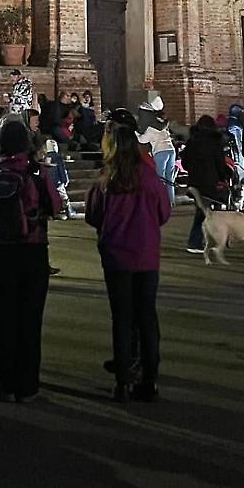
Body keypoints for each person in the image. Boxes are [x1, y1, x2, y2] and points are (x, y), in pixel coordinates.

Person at [85, 113, 171, 403]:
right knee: (147, 317)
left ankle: (122, 381)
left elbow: (92, 215)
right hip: (146, 256)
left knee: (121, 318)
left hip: (116, 256)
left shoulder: (106, 180)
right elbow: (164, 213)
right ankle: (150, 380)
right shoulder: (150, 178)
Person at [0, 118, 62, 402]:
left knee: (5, 317)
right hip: (31, 250)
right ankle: (27, 385)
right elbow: (56, 205)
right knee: (30, 319)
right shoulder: (35, 174)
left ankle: (6, 382)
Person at [182, 114, 228, 254]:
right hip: (208, 180)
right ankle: (195, 241)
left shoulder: (192, 140)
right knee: (203, 211)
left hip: (195, 180)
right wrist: (223, 176)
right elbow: (220, 162)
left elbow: (185, 161)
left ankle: (199, 240)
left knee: (202, 209)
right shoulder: (215, 142)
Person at [136, 94, 177, 209]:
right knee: (170, 178)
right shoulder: (163, 127)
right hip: (171, 150)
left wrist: (135, 132)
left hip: (160, 152)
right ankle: (171, 201)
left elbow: (142, 140)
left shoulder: (150, 128)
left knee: (160, 178)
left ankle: (161, 202)